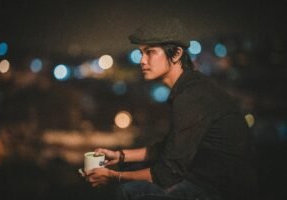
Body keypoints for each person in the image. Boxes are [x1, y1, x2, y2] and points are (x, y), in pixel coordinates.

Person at [81, 17, 257, 200]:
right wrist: (120, 156)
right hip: (210, 180)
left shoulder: (191, 97)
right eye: (141, 53)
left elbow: (166, 174)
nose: (142, 60)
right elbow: (170, 149)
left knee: (126, 191)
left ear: (176, 53)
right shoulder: (190, 87)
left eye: (149, 52)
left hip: (222, 190)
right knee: (130, 173)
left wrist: (112, 176)